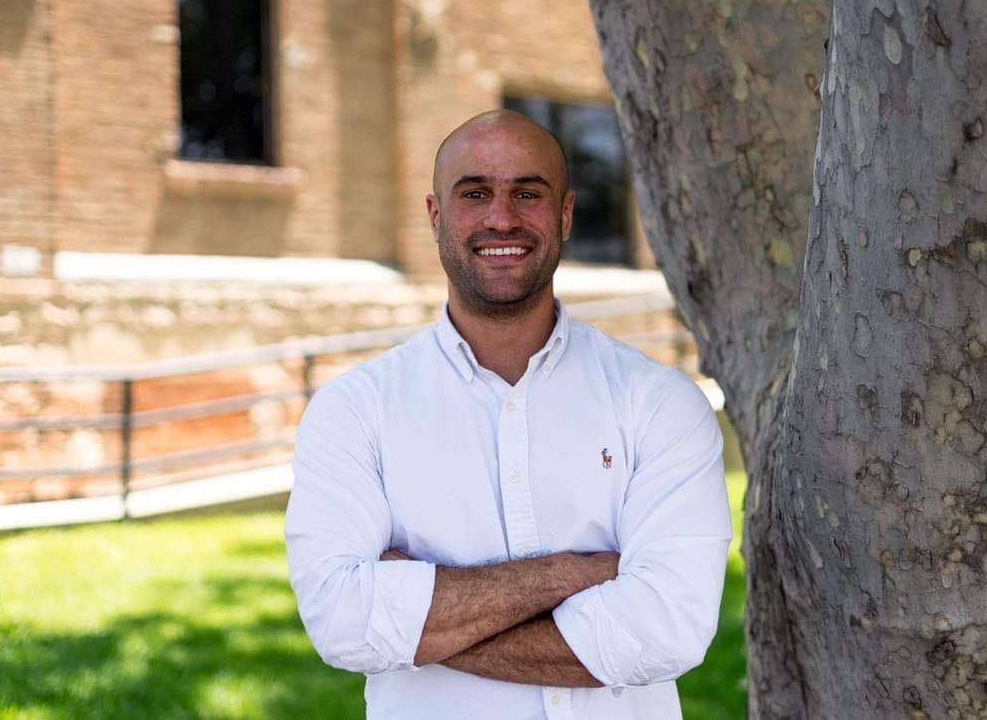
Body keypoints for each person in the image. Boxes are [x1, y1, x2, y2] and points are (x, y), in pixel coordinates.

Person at [285, 110, 732, 718]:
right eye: (475, 193)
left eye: (528, 192)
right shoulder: (355, 412)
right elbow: (342, 623)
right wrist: (568, 575)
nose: (502, 217)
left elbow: (666, 628)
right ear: (436, 216)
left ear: (566, 215)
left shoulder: (658, 403)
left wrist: (418, 621)